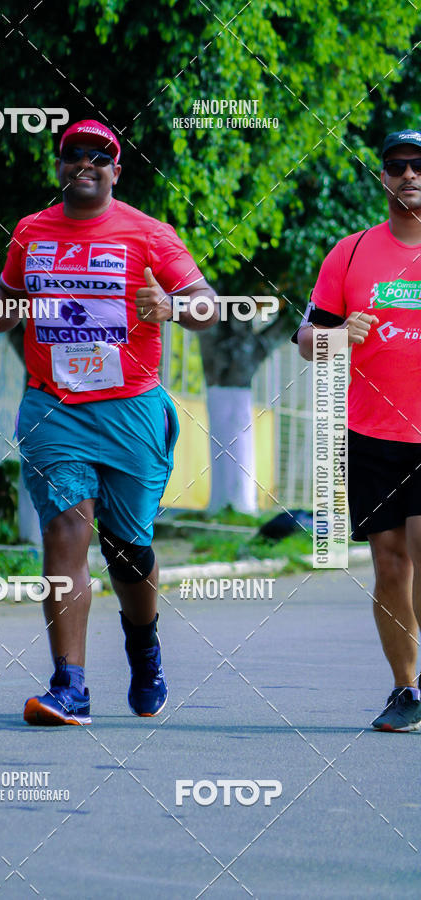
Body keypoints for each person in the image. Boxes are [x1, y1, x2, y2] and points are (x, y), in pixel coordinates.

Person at [0, 119, 218, 725]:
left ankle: (144, 647)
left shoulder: (148, 233)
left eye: (98, 157)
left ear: (116, 169)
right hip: (54, 406)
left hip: (131, 408)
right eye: (73, 155)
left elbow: (208, 306)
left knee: (126, 547)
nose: (85, 165)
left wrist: (173, 306)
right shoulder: (32, 232)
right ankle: (69, 685)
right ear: (59, 165)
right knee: (64, 532)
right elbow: (8, 299)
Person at [296, 129, 421, 732]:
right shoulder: (349, 254)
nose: (408, 175)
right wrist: (339, 336)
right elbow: (305, 342)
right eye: (396, 166)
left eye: (419, 165)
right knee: (390, 565)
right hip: (372, 434)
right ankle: (406, 689)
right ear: (382, 178)